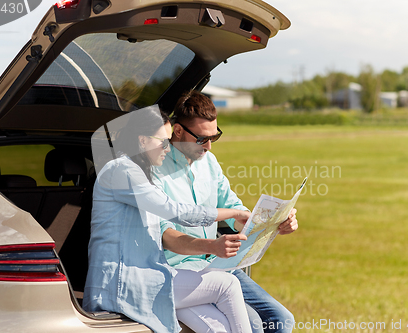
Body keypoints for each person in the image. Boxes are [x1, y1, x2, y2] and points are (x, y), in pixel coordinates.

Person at [83, 105, 253, 333]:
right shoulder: (122, 171)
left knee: (219, 328)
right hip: (122, 282)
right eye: (163, 141)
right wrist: (233, 213)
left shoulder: (142, 174)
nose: (169, 146)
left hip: (152, 275)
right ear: (143, 141)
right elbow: (177, 211)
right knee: (228, 284)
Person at [153, 92, 298, 333]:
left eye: (214, 137)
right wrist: (211, 245)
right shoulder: (156, 166)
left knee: (282, 319)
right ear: (177, 131)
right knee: (253, 324)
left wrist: (276, 222)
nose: (209, 146)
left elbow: (236, 212)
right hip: (182, 271)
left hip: (218, 265)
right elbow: (163, 236)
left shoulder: (209, 162)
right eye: (202, 139)